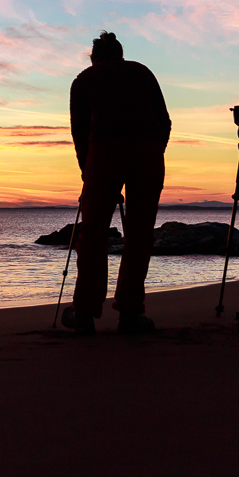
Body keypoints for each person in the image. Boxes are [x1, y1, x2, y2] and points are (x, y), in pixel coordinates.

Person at [64, 31, 171, 335]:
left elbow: (80, 132)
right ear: (121, 54)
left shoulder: (84, 79)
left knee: (93, 234)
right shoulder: (142, 72)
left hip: (105, 154)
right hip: (147, 155)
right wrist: (152, 152)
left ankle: (85, 312)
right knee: (139, 236)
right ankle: (130, 312)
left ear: (94, 57)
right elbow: (164, 121)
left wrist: (89, 170)